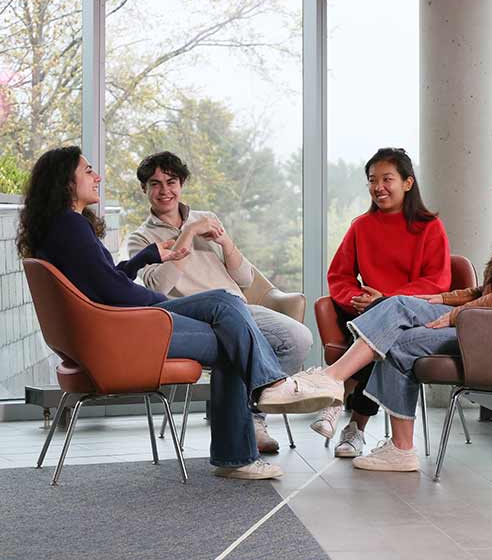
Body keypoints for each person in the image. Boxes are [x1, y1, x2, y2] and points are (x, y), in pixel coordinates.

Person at [16, 146, 341, 480]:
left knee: (226, 311)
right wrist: (154, 299)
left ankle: (259, 412)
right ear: (65, 182)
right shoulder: (70, 227)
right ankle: (261, 409)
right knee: (228, 323)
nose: (96, 176)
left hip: (123, 323)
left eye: (171, 181)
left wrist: (146, 258)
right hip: (132, 326)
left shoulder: (65, 226)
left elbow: (107, 279)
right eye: (87, 171)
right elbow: (113, 290)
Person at [270, 150, 492, 472]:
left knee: (397, 307)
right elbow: (491, 291)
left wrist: (456, 313)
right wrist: (442, 300)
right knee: (399, 341)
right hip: (489, 325)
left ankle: (331, 380)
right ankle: (401, 449)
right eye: (373, 181)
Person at [125, 151, 313, 454]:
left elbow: (244, 279)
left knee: (299, 338)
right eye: (155, 184)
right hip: (193, 319)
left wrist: (225, 242)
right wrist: (187, 234)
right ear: (144, 189)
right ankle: (247, 423)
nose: (164, 191)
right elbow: (160, 285)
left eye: (171, 182)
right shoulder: (140, 238)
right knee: (237, 345)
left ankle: (254, 415)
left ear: (182, 183)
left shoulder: (207, 219)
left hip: (238, 306)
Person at [310, 148, 451, 458]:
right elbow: (339, 275)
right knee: (378, 334)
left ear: (408, 183)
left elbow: (437, 282)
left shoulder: (430, 227)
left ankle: (341, 406)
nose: (379, 187)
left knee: (384, 331)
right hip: (362, 315)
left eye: (388, 179)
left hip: (414, 319)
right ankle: (353, 427)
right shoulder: (360, 226)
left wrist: (386, 300)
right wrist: (358, 299)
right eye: (372, 180)